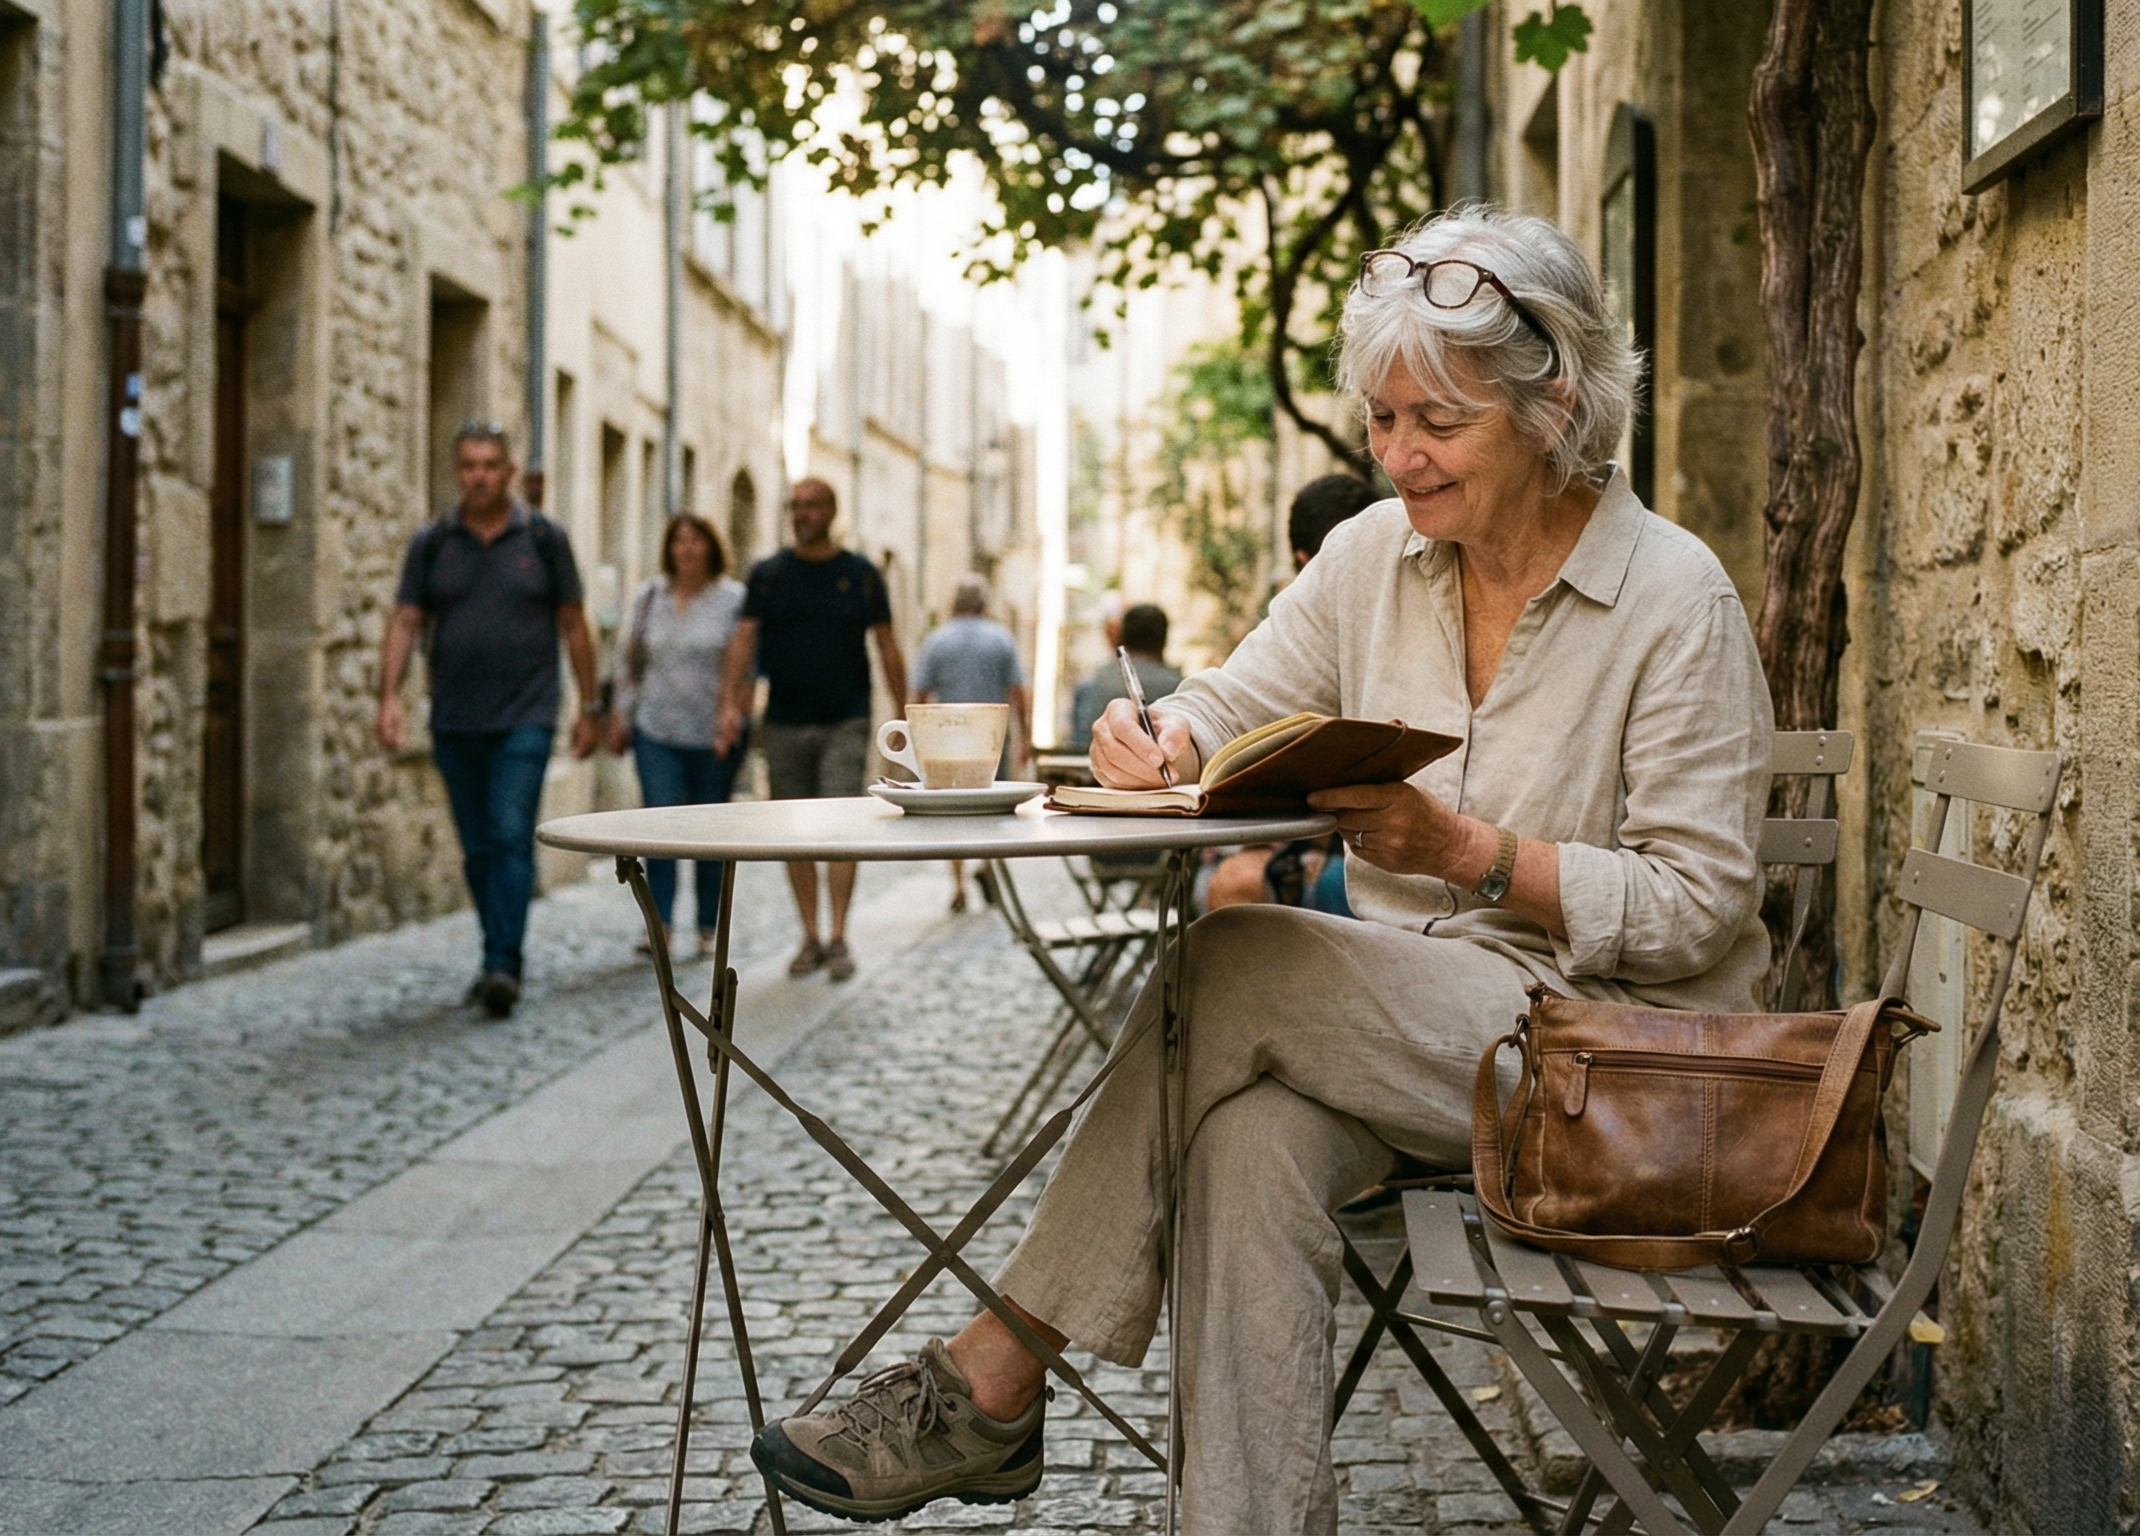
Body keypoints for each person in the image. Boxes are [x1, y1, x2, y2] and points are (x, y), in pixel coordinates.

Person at [750, 208, 1775, 1531]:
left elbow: (1701, 909)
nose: (1398, 456)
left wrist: (1471, 856)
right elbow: (1232, 700)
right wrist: (1160, 734)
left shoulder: (1674, 598)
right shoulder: (1374, 558)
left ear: (1552, 404)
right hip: (1414, 1037)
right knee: (1242, 1142)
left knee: (1232, 958)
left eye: (1436, 425)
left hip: (1616, 1066)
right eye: (1381, 422)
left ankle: (995, 1372)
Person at [376, 423, 599, 1020]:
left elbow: (574, 624)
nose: (479, 475)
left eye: (490, 465)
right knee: (477, 848)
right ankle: (492, 954)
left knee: (507, 832)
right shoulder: (433, 543)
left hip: (527, 714)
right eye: (468, 464)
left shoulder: (544, 539)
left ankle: (505, 962)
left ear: (508, 472)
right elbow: (405, 620)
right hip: (454, 718)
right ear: (457, 472)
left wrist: (590, 704)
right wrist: (388, 699)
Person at [716, 478, 908, 982]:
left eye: (812, 505)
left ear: (832, 511)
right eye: (795, 506)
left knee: (842, 827)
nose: (802, 514)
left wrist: (907, 714)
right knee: (795, 833)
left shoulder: (861, 574)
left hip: (847, 716)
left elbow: (887, 645)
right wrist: (730, 703)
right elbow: (743, 639)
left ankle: (840, 934)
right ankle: (810, 935)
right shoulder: (769, 574)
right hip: (783, 719)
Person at [1201, 474, 1381, 912]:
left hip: (1362, 862)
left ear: (1303, 561)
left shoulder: (1339, 630)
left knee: (1227, 885)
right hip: (1351, 853)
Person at [609, 513, 748, 956]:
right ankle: (660, 924)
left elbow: (747, 666)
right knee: (660, 826)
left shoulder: (733, 599)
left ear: (712, 546)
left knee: (709, 833)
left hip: (713, 734)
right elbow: (630, 660)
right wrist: (620, 714)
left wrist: (736, 714)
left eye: (696, 540)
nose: (686, 549)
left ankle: (709, 926)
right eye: (678, 541)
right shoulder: (651, 596)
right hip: (657, 730)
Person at [911, 575, 1033, 911]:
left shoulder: (936, 641)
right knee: (992, 807)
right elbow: (1019, 691)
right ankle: (989, 866)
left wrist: (917, 737)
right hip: (990, 739)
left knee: (952, 812)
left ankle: (958, 883)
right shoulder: (1001, 639)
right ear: (983, 604)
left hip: (948, 738)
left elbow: (920, 693)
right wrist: (1026, 736)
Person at [1065, 604, 1180, 752]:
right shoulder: (1180, 688)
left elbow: (1078, 743)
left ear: (1122, 637)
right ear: (1164, 641)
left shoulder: (1090, 684)